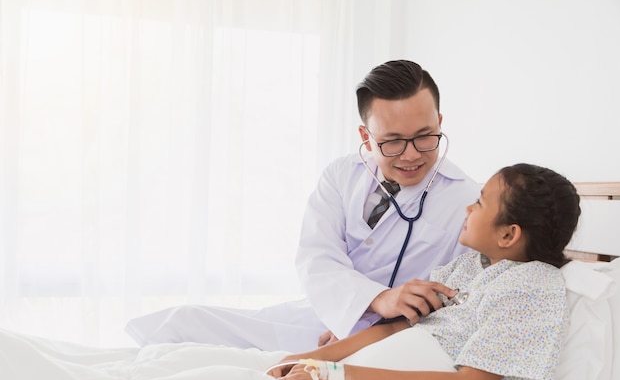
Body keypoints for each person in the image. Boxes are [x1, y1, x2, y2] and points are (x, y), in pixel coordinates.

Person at [124, 60, 481, 352]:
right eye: (392, 142)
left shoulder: (471, 203)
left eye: (424, 136)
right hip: (323, 316)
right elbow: (318, 259)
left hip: (391, 340)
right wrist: (377, 300)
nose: (412, 154)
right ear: (365, 137)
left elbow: (461, 304)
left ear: (440, 124)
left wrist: (373, 330)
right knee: (183, 322)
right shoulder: (342, 175)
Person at [268, 163, 581, 380]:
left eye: (480, 202)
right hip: (372, 377)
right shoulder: (470, 266)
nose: (468, 209)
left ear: (508, 235)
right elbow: (394, 330)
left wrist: (339, 375)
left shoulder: (531, 287)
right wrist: (309, 358)